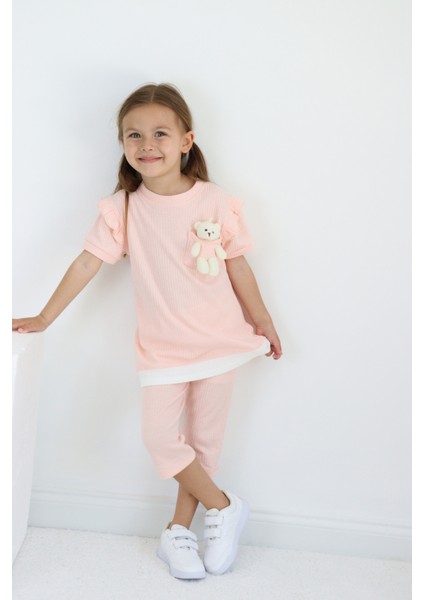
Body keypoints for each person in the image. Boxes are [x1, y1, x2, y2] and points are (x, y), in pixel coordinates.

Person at [12, 83, 282, 579]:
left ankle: (177, 531)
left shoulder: (215, 201)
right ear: (122, 144)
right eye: (133, 135)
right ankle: (223, 506)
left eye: (160, 133)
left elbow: (239, 266)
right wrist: (46, 317)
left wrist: (262, 321)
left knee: (204, 445)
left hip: (220, 341)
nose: (147, 144)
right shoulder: (123, 207)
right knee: (160, 439)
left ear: (186, 141)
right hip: (161, 350)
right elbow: (87, 263)